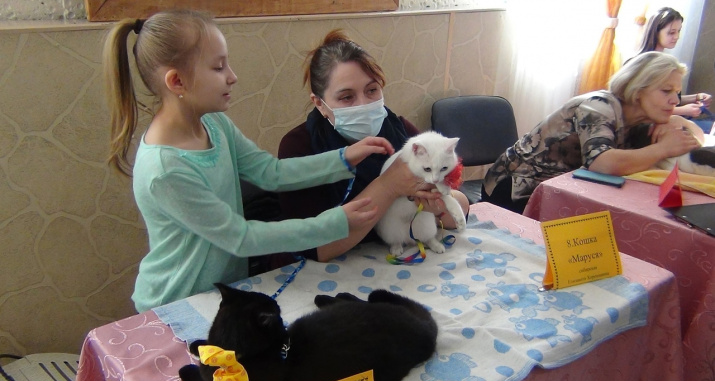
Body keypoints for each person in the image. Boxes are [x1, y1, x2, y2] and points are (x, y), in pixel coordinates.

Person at [103, 10, 401, 312]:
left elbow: (271, 172)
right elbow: (240, 237)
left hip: (226, 291)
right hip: (177, 301)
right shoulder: (165, 170)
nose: (232, 76)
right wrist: (334, 223)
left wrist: (343, 158)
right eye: (218, 67)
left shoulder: (214, 125)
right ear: (177, 81)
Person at [276, 29, 469, 266]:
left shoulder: (400, 131)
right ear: (320, 104)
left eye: (371, 90)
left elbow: (461, 206)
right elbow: (315, 247)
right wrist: (388, 186)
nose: (364, 104)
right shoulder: (299, 147)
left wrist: (436, 206)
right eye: (347, 97)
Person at [482, 51, 705, 214]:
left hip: (565, 190)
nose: (675, 100)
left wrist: (675, 120)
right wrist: (662, 148)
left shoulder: (642, 117)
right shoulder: (598, 106)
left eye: (677, 93)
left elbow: (696, 144)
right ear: (638, 90)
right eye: (666, 91)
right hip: (516, 188)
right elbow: (601, 163)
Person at [632, 7, 712, 119]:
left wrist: (696, 97)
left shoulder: (665, 60)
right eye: (671, 32)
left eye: (678, 31)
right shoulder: (643, 64)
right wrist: (682, 110)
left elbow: (667, 98)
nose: (676, 37)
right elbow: (639, 106)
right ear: (656, 32)